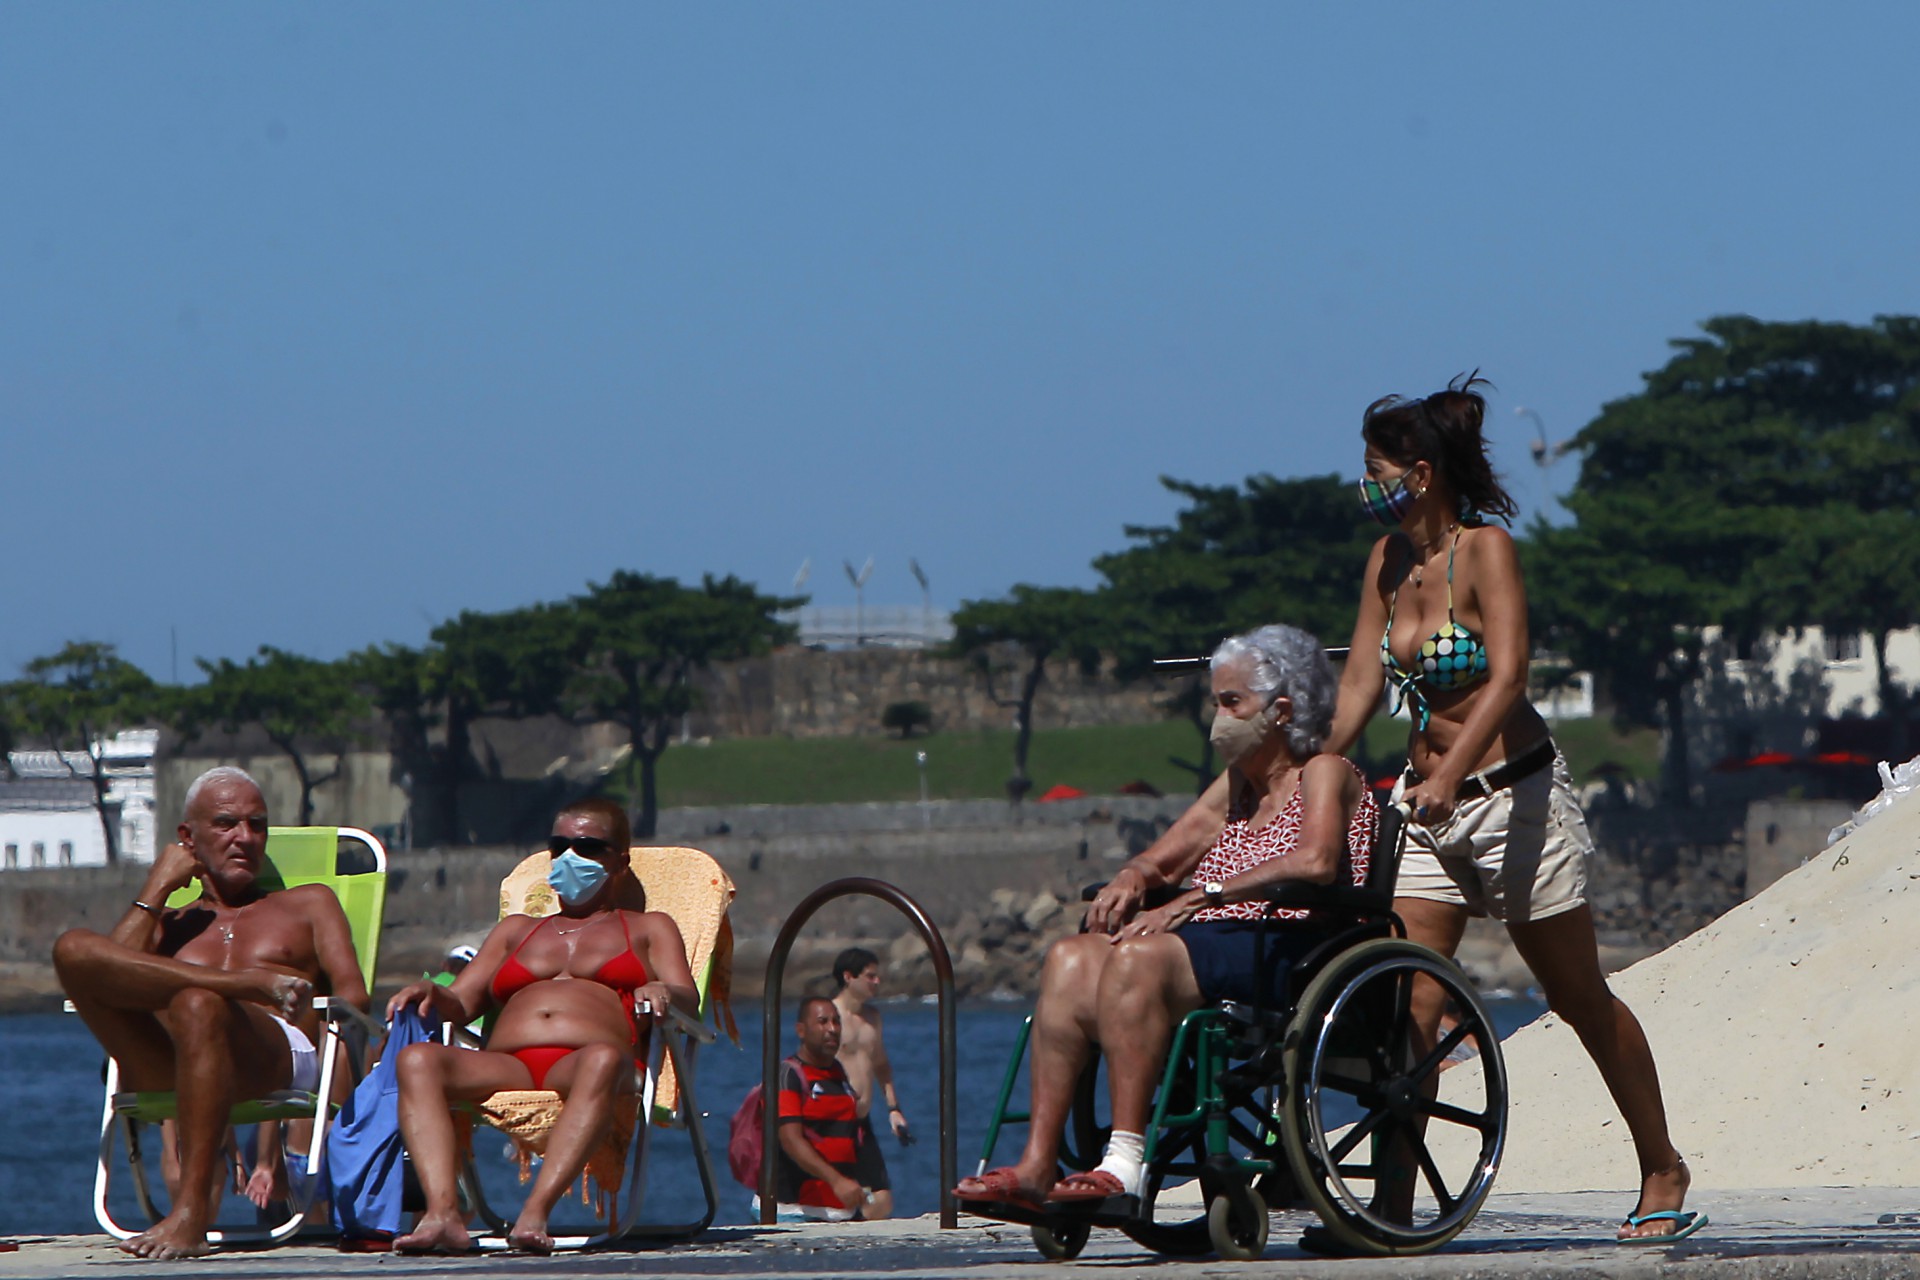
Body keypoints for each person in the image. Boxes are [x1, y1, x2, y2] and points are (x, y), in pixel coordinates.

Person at [1324, 373, 1699, 1244]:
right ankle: (1392, 1206)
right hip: (1428, 808)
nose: (1365, 484)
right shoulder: (1386, 563)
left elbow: (1507, 677)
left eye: (1375, 468)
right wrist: (1318, 754)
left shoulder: (1484, 550)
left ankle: (1661, 1163)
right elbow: (1359, 682)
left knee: (1577, 997)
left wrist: (1455, 769)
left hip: (1512, 799)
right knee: (1410, 1003)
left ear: (1418, 472)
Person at [953, 624, 1377, 1207]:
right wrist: (1134, 875)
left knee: (1139, 958)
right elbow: (1168, 855)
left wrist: (1209, 893)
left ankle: (1125, 1165)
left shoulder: (1324, 771)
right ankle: (1036, 1163)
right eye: (1216, 703)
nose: (1219, 718)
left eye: (1232, 703)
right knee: (1070, 958)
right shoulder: (1238, 786)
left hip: (1290, 943)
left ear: (1281, 710)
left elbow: (1318, 860)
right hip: (1217, 940)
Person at [53, 766, 368, 1261]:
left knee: (197, 1002)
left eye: (257, 824)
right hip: (176, 1063)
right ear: (188, 837)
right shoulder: (172, 923)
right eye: (226, 824)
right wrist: (157, 889)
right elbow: (102, 977)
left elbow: (354, 1000)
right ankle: (237, 986)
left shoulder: (309, 903)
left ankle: (191, 1213)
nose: (245, 837)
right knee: (72, 948)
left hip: (275, 1058)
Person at [383, 796, 698, 1254]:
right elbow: (463, 1001)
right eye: (559, 845)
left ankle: (534, 1214)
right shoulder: (517, 930)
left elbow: (686, 995)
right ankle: (443, 1214)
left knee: (604, 1058)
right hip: (508, 1063)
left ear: (620, 862)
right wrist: (433, 994)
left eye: (588, 847)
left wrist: (664, 992)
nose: (571, 857)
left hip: (587, 1062)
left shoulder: (648, 927)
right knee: (417, 1060)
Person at [773, 998, 880, 1221]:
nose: (832, 1029)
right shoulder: (789, 1074)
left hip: (841, 1212)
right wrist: (836, 1181)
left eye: (836, 1022)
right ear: (801, 1030)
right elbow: (790, 1140)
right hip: (796, 1213)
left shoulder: (837, 1073)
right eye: (823, 1022)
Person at [830, 947, 909, 1219]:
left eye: (877, 977)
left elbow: (881, 1065)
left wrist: (893, 1109)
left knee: (882, 1199)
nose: (877, 982)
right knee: (838, 1193)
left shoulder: (873, 1018)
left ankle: (853, 1229)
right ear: (849, 977)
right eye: (870, 976)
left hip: (861, 1122)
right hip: (832, 1121)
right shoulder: (829, 1017)